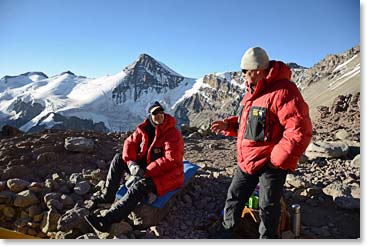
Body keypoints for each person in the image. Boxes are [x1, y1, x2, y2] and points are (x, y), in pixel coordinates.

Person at [210, 47, 312, 239]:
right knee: (234, 198)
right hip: (247, 160)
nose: (242, 76)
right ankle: (224, 235)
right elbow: (249, 122)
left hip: (270, 165)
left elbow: (300, 130)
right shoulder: (253, 91)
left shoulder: (284, 91)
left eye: (243, 71)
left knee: (268, 207)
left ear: (256, 70)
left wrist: (275, 160)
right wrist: (228, 124)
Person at [85, 101, 184, 232]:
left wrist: (145, 173)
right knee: (119, 158)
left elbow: (171, 159)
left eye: (161, 112)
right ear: (150, 115)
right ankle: (108, 196)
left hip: (168, 174)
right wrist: (132, 164)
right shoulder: (144, 129)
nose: (159, 115)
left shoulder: (172, 133)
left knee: (139, 186)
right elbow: (129, 143)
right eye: (155, 113)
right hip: (148, 167)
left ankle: (107, 220)